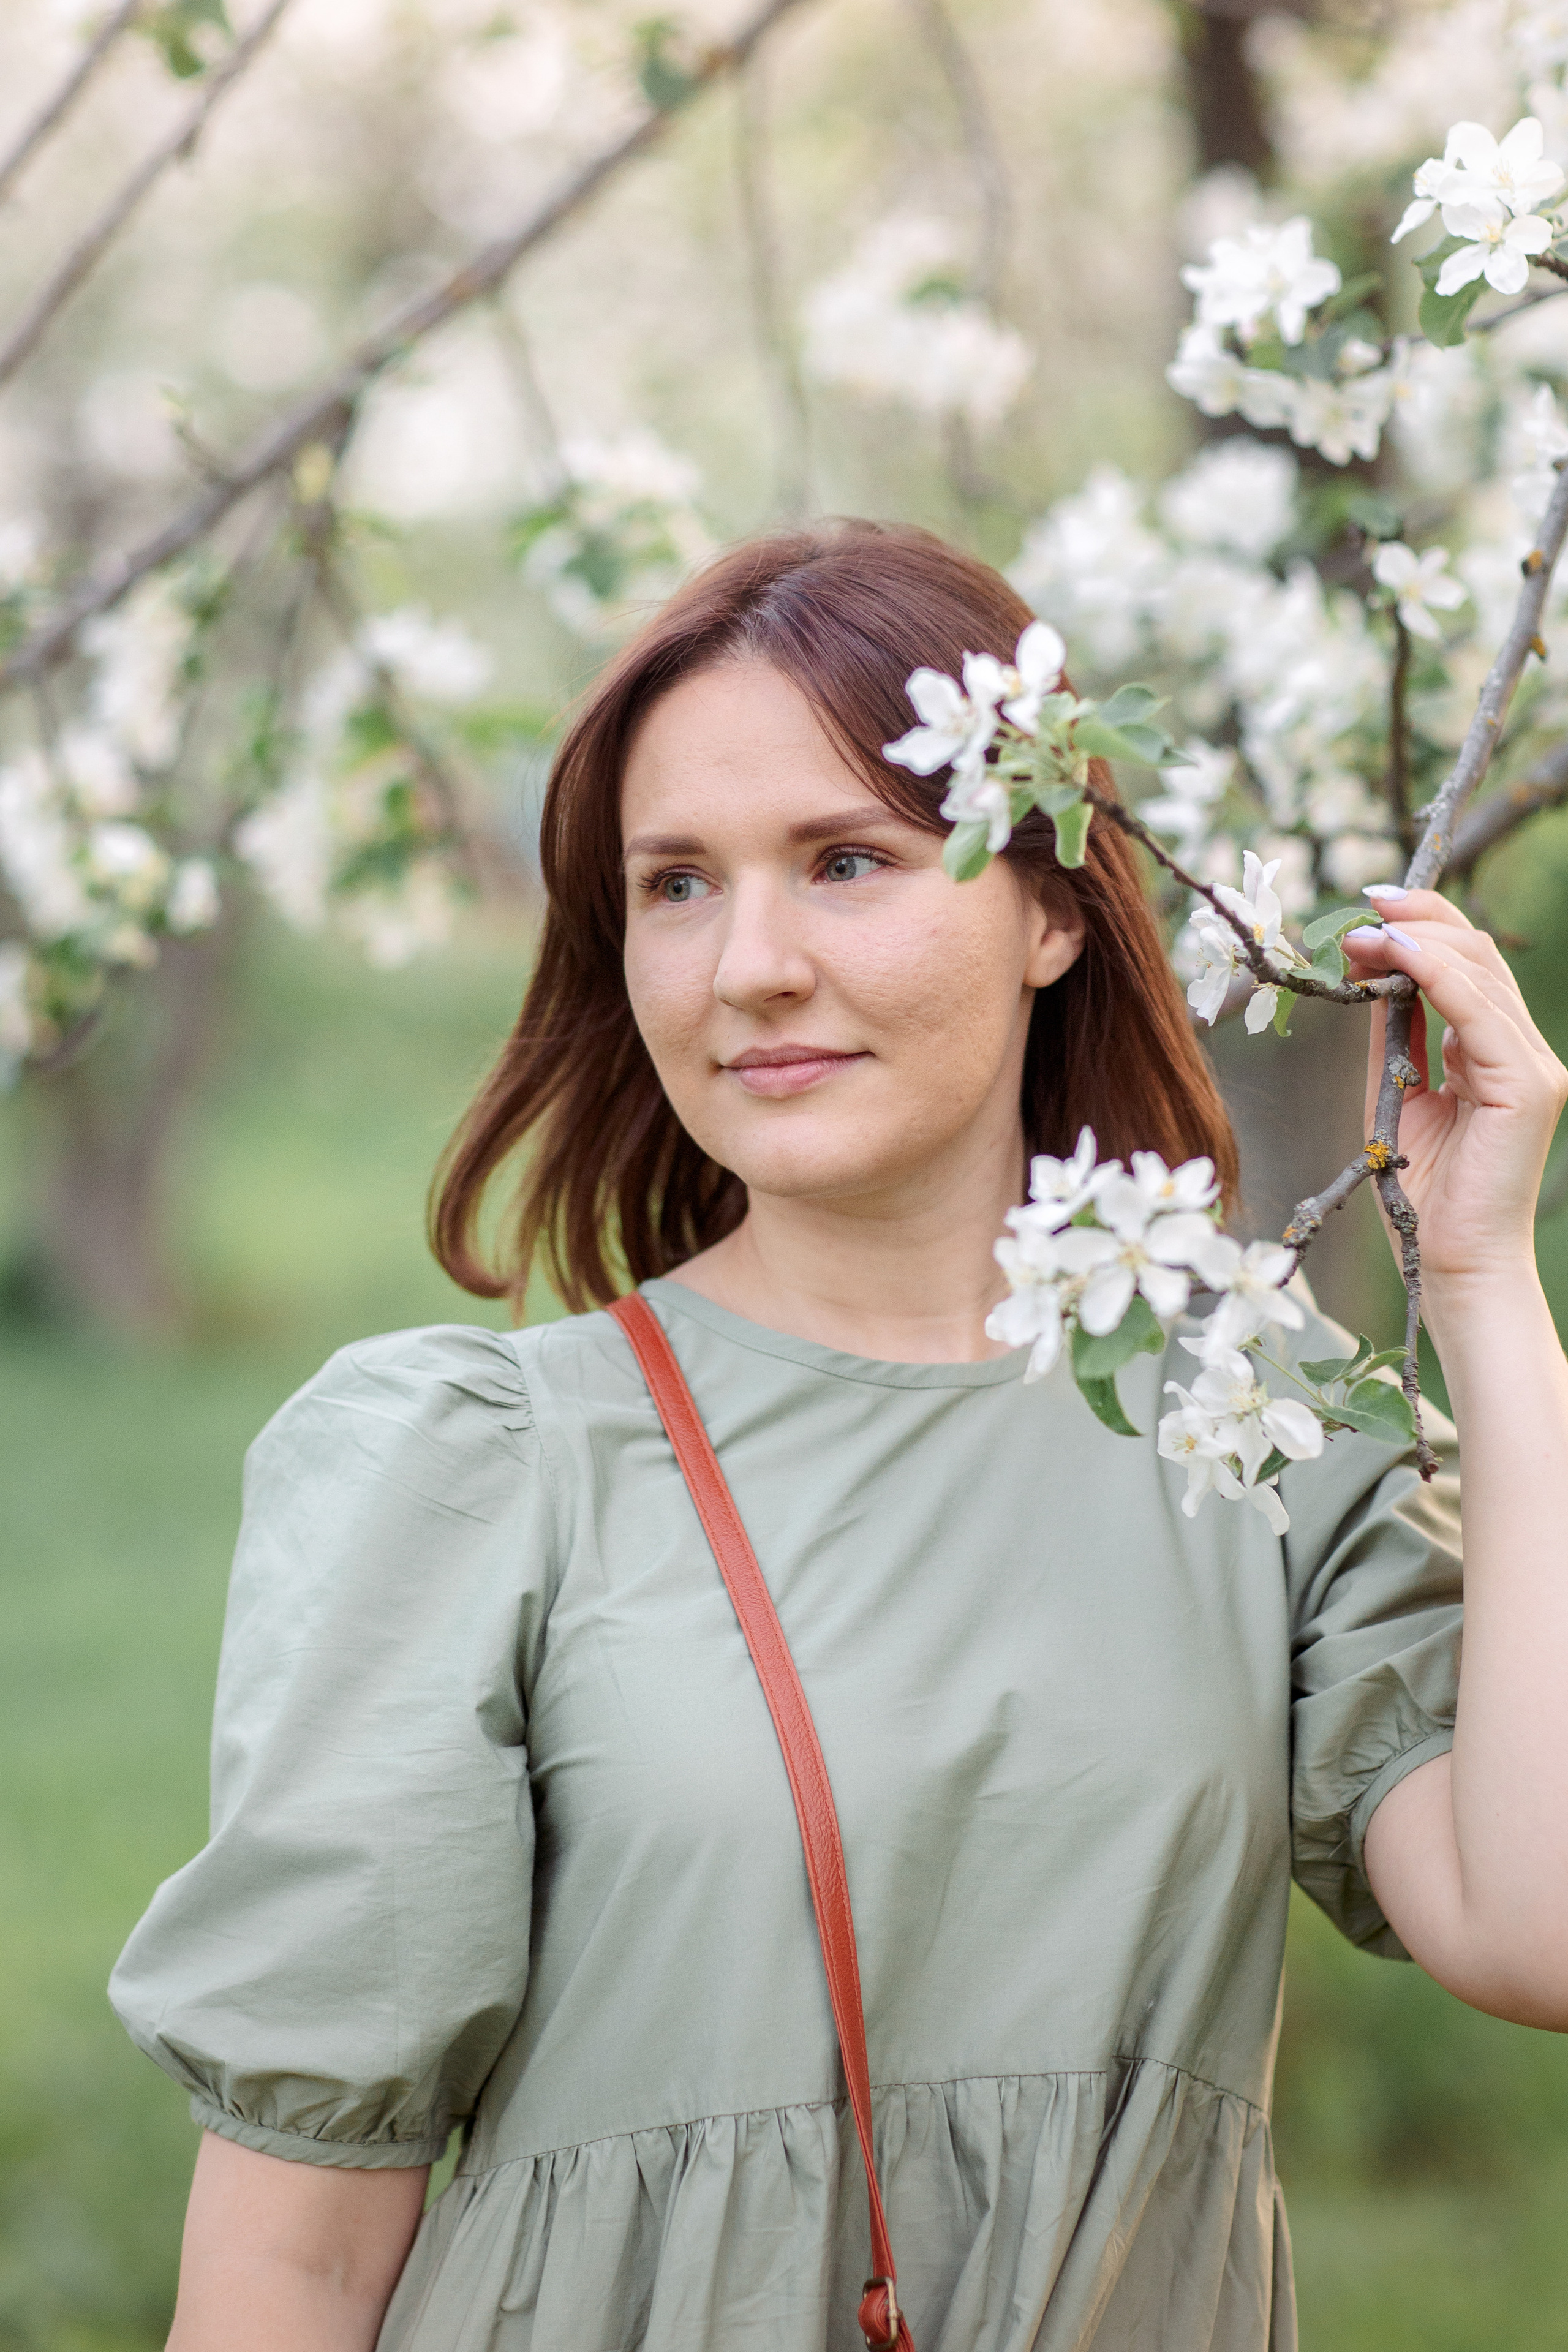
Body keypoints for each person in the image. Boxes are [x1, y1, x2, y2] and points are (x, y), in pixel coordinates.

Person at [111, 522, 1568, 2352]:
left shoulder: (1258, 1437)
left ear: (1052, 909)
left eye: (849, 860)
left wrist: (1487, 1282)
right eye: (677, 886)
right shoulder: (487, 1471)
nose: (752, 967)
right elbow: (290, 2269)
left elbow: (1539, 1926)